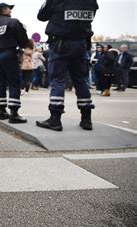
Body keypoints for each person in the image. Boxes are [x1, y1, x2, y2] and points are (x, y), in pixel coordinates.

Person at [36, 0, 99, 131]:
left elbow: (41, 16)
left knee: (57, 81)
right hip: (81, 45)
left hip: (61, 45)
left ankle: (55, 119)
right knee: (82, 81)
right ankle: (86, 119)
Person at [0, 3, 29, 123]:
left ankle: (2, 112)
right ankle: (14, 113)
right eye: (9, 8)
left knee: (0, 82)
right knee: (14, 82)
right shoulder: (13, 22)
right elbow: (23, 41)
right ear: (4, 10)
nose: (10, 10)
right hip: (8, 53)